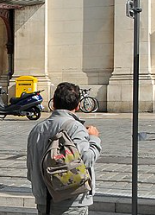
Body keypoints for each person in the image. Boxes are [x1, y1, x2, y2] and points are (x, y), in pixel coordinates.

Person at [26, 81, 101, 215]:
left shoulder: (37, 130)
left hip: (43, 202)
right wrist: (94, 138)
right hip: (71, 201)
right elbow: (86, 159)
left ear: (53, 103)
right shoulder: (75, 128)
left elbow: (31, 168)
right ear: (78, 105)